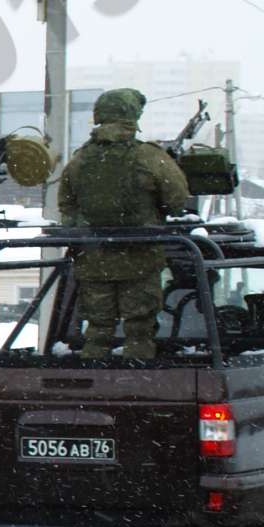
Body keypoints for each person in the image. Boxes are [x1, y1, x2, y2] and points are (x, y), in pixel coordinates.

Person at [59, 87, 191, 362]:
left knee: (97, 330)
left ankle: (92, 381)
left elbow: (67, 205)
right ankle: (136, 386)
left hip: (93, 261)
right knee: (139, 333)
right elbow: (178, 200)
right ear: (132, 117)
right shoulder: (148, 156)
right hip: (139, 258)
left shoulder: (80, 160)